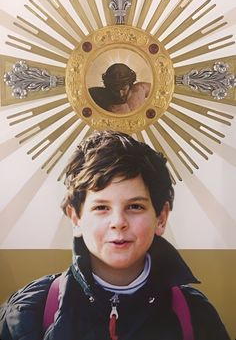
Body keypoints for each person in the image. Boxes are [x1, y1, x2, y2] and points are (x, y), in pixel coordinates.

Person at [0, 130, 230, 340]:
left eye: (135, 206)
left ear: (161, 218)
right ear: (75, 218)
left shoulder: (195, 314)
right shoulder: (28, 311)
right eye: (101, 208)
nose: (118, 222)